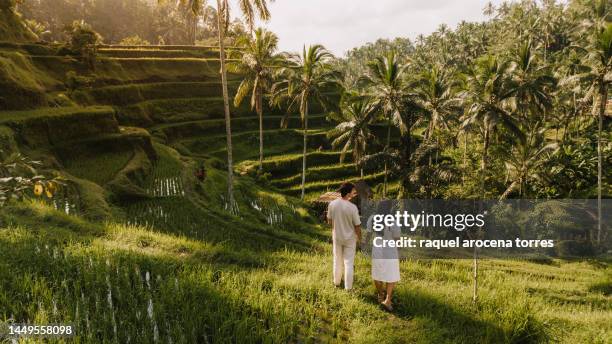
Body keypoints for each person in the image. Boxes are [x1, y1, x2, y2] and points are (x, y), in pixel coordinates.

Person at [327, 182, 362, 290]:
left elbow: (329, 221)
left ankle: (336, 283)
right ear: (348, 193)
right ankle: (348, 288)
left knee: (337, 260)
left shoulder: (332, 204)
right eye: (353, 192)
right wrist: (360, 239)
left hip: (337, 237)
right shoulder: (352, 208)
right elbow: (357, 226)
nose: (354, 193)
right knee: (348, 263)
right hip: (350, 239)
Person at [370, 200, 401, 312]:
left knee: (377, 273)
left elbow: (368, 235)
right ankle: (388, 300)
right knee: (391, 274)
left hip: (377, 249)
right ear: (389, 208)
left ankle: (380, 294)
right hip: (390, 250)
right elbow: (397, 239)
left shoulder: (372, 218)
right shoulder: (393, 221)